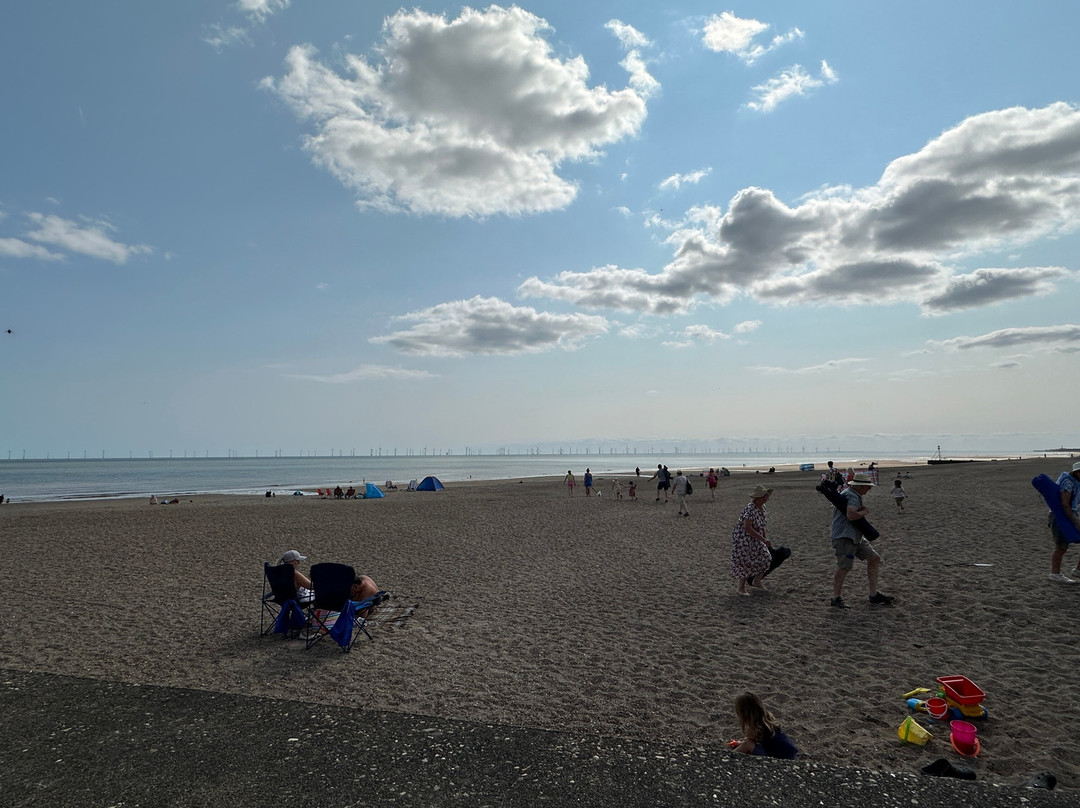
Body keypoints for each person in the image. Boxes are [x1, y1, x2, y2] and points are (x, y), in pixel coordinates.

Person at [830, 472, 893, 608]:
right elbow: (852, 515)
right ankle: (836, 598)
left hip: (855, 536)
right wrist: (865, 511)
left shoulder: (851, 493)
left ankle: (873, 594)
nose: (869, 489)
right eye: (867, 487)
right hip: (845, 537)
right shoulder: (852, 495)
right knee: (844, 566)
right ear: (860, 486)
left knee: (874, 558)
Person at [731, 485, 773, 595]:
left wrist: (765, 537)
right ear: (758, 497)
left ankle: (756, 581)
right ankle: (740, 588)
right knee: (745, 562)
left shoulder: (763, 507)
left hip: (756, 536)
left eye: (766, 496)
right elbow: (747, 528)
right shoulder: (750, 509)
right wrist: (763, 539)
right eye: (764, 496)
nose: (766, 498)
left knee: (766, 557)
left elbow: (762, 525)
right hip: (743, 538)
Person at [732, 692, 798, 759]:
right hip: (789, 751)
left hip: (780, 756)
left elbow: (750, 741)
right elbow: (756, 739)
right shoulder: (766, 718)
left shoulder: (756, 727)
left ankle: (728, 756)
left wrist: (741, 743)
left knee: (747, 744)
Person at [1049, 461, 1080, 583]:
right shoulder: (1068, 482)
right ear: (1076, 472)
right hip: (1060, 517)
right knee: (1061, 547)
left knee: (1062, 546)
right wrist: (1075, 521)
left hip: (1069, 516)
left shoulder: (1077, 483)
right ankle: (1055, 574)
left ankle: (1078, 570)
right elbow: (1065, 504)